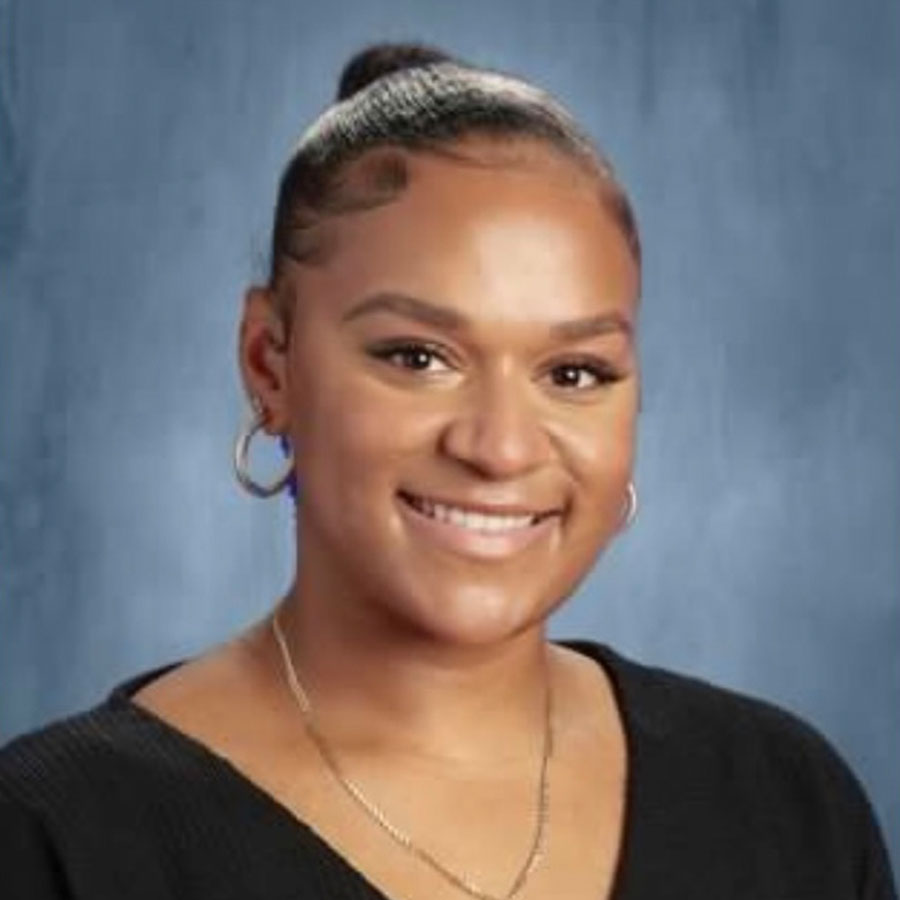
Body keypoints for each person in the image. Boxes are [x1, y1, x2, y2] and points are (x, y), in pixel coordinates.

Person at [0, 41, 895, 900]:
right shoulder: (55, 835)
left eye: (573, 373)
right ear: (270, 364)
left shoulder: (787, 801)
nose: (500, 447)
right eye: (417, 357)